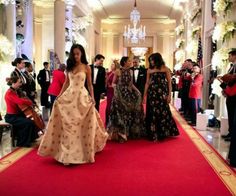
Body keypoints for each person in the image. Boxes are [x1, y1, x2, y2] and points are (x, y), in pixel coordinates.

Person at [38, 44, 108, 165]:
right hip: (69, 97)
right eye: (74, 54)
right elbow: (66, 83)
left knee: (81, 125)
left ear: (82, 54)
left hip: (82, 98)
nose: (76, 56)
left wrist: (92, 97)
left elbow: (90, 84)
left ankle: (83, 150)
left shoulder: (86, 67)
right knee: (69, 126)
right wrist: (59, 95)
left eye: (78, 54)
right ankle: (67, 155)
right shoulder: (69, 67)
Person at [107, 56, 144, 143]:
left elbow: (131, 84)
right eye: (129, 61)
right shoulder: (118, 71)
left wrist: (138, 91)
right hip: (120, 94)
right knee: (120, 113)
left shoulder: (131, 71)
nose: (130, 62)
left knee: (133, 110)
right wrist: (117, 90)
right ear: (124, 62)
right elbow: (113, 83)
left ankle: (129, 132)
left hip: (129, 94)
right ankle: (120, 133)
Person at [143, 53, 179, 141]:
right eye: (150, 60)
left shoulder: (165, 69)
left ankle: (163, 132)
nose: (151, 62)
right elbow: (147, 83)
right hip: (152, 94)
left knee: (163, 111)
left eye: (152, 60)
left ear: (157, 60)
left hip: (162, 94)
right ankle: (152, 132)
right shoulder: (149, 70)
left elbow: (169, 83)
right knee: (152, 112)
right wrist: (144, 95)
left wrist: (169, 95)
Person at [4, 75, 38, 147]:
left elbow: (21, 100)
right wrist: (30, 102)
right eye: (19, 82)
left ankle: (31, 139)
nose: (20, 84)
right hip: (11, 117)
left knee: (31, 120)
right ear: (14, 83)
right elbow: (19, 101)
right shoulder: (10, 92)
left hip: (17, 115)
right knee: (28, 123)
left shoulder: (15, 91)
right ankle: (22, 143)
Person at [105, 60, 119, 126]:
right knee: (109, 106)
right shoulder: (108, 73)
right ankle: (108, 121)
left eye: (113, 64)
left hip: (116, 90)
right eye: (111, 64)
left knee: (115, 106)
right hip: (109, 91)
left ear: (116, 65)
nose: (111, 65)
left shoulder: (118, 72)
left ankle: (115, 122)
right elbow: (106, 83)